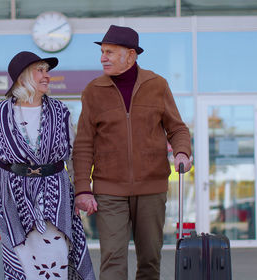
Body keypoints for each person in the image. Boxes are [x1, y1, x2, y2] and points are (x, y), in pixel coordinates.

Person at [0, 51, 95, 280]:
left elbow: (73, 156)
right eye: (40, 70)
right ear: (22, 76)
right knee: (22, 261)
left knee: (56, 259)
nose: (46, 75)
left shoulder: (61, 111)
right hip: (13, 196)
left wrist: (81, 191)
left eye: (47, 71)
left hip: (55, 194)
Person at [73, 25, 193, 280]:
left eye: (109, 52)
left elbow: (177, 128)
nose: (102, 58)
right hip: (109, 190)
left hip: (151, 187)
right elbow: (84, 143)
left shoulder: (157, 85)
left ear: (131, 55)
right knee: (113, 261)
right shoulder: (93, 91)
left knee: (150, 260)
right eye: (102, 52)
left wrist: (182, 152)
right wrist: (83, 188)